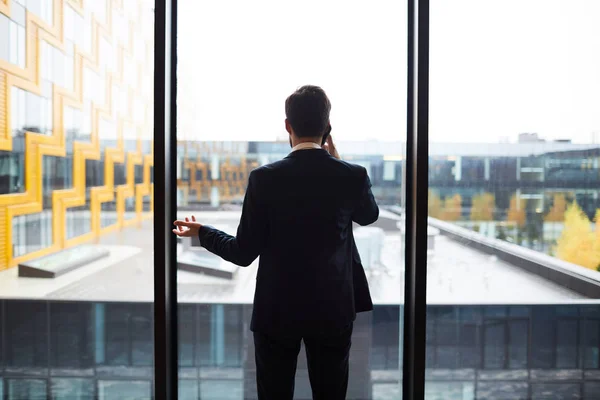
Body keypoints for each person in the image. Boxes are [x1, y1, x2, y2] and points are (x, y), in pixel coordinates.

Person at [173, 85, 379, 400]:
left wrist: (202, 232)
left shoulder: (264, 179)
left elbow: (242, 253)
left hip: (276, 312)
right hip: (332, 310)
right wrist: (337, 162)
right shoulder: (352, 176)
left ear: (287, 126)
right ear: (327, 128)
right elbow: (368, 215)